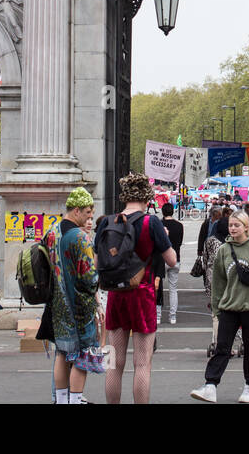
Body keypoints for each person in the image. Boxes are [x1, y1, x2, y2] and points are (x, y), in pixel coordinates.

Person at [100, 173, 176, 405]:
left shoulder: (107, 221)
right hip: (142, 293)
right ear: (147, 197)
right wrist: (164, 238)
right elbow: (172, 260)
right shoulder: (151, 222)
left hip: (116, 294)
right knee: (142, 362)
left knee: (114, 362)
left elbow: (96, 262)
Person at [191, 210, 249, 403]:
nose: (232, 228)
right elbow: (218, 282)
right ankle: (210, 385)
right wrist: (216, 306)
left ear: (246, 227)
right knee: (222, 347)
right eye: (231, 225)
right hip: (229, 306)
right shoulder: (224, 250)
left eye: (236, 225)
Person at [39, 189, 101, 404]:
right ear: (76, 211)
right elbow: (89, 277)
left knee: (62, 354)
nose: (88, 217)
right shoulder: (80, 237)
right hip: (80, 308)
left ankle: (62, 399)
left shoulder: (51, 232)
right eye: (87, 212)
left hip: (57, 306)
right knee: (82, 358)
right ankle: (75, 400)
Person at [159, 201, 183, 326]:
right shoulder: (179, 226)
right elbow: (179, 242)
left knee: (158, 288)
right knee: (173, 289)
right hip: (175, 258)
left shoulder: (159, 224)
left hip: (161, 259)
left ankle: (157, 315)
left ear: (162, 212)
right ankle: (172, 316)